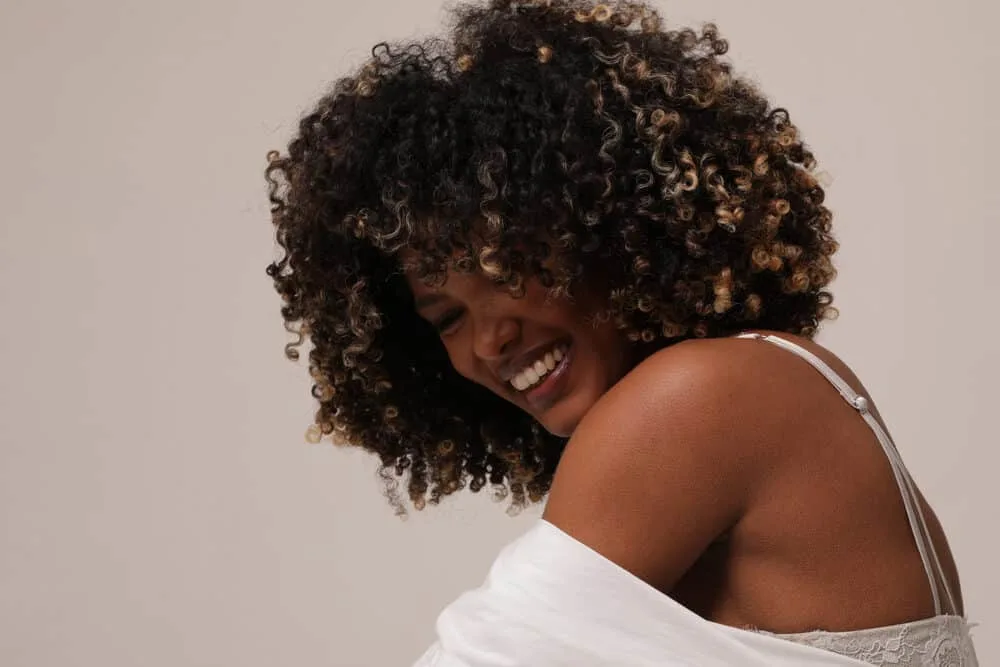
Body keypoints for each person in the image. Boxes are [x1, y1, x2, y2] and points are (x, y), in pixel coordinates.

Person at [264, 1, 979, 664]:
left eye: (507, 266)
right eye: (447, 317)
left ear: (607, 222)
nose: (489, 340)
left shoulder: (697, 399)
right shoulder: (783, 379)